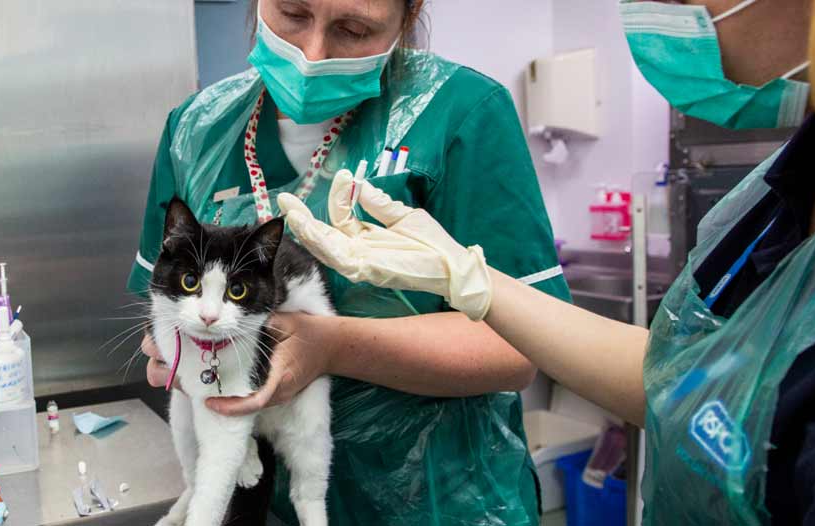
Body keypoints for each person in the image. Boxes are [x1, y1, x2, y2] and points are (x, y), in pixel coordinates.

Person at [281, 0, 815, 523]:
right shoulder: (800, 179)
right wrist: (470, 279)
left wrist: (332, 344)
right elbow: (679, 380)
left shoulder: (467, 107)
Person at [127, 0, 570, 524]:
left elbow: (522, 349)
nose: (312, 54)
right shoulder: (195, 129)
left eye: (353, 28)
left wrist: (330, 347)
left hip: (439, 503)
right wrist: (174, 355)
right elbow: (160, 306)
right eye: (292, 14)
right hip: (261, 505)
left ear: (407, 16)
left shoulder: (462, 114)